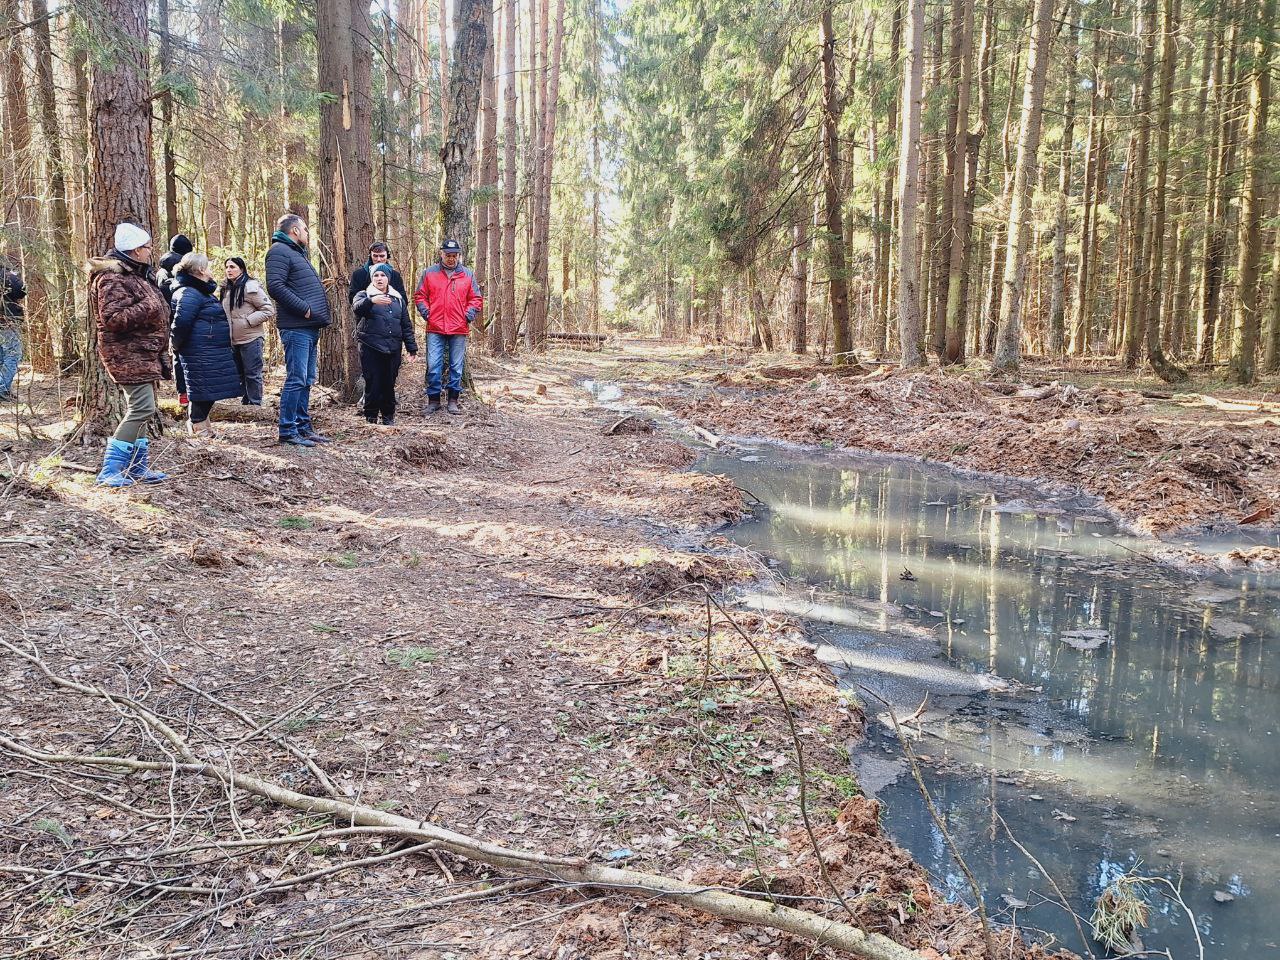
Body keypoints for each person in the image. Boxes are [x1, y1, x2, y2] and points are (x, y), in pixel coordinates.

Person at [86, 222, 171, 487]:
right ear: (135, 251)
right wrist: (150, 305)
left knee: (143, 409)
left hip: (144, 353)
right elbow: (113, 319)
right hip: (126, 354)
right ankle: (110, 469)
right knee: (142, 407)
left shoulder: (135, 275)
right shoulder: (111, 278)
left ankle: (137, 467)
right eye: (146, 247)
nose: (150, 251)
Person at [265, 213, 331, 447]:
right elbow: (275, 286)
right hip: (296, 327)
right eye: (304, 229)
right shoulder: (279, 251)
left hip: (308, 327)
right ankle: (287, 429)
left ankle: (303, 427)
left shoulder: (294, 252)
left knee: (306, 379)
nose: (307, 233)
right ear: (294, 231)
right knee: (296, 378)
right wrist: (304, 309)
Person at [171, 252, 241, 437]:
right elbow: (181, 323)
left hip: (209, 350)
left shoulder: (199, 291)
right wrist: (175, 345)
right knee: (201, 392)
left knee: (207, 391)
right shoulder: (189, 293)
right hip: (199, 352)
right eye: (208, 266)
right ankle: (198, 429)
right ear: (201, 270)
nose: (211, 270)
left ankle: (204, 429)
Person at [412, 239, 482, 415]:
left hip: (459, 327)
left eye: (454, 255)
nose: (451, 259)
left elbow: (476, 298)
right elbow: (420, 296)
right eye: (448, 255)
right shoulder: (429, 273)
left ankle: (453, 401)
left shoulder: (467, 274)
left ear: (459, 256)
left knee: (456, 367)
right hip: (435, 327)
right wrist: (427, 314)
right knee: (434, 365)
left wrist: (468, 315)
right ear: (441, 254)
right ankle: (433, 400)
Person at [353, 262, 417, 425]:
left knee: (389, 384)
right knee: (373, 382)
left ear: (388, 278)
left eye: (383, 275)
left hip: (393, 348)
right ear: (372, 278)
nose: (379, 278)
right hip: (370, 346)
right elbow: (357, 308)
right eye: (376, 275)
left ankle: (388, 417)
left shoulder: (398, 299)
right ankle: (371, 417)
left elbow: (405, 324)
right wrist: (372, 300)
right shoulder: (364, 294)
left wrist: (411, 347)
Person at [220, 256, 275, 406]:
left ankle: (255, 404)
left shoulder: (250, 287)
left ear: (241, 269)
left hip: (251, 338)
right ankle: (246, 404)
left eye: (232, 267)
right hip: (233, 339)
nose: (229, 270)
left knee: (252, 374)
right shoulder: (226, 288)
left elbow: (268, 309)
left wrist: (248, 321)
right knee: (240, 374)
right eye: (227, 267)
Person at [156, 234, 194, 407]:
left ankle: (183, 394)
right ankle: (190, 394)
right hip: (183, 314)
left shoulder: (160, 271)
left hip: (167, 318)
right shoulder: (184, 268)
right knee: (188, 356)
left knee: (178, 356)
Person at [0, 264, 26, 402]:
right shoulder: (5, 275)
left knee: (2, 356)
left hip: (4, 321)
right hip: (6, 321)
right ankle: (1, 388)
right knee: (13, 354)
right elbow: (21, 290)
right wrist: (12, 275)